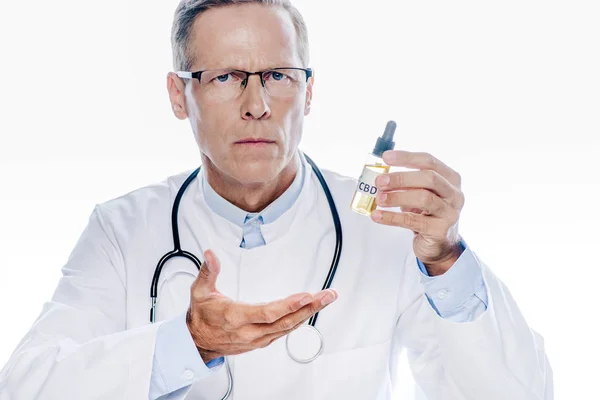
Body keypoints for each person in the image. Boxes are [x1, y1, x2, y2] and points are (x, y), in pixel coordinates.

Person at [0, 0, 553, 399]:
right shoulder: (121, 231)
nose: (257, 104)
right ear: (178, 95)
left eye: (278, 75)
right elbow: (27, 387)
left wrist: (445, 261)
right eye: (225, 77)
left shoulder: (386, 229)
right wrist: (186, 344)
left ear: (309, 92)